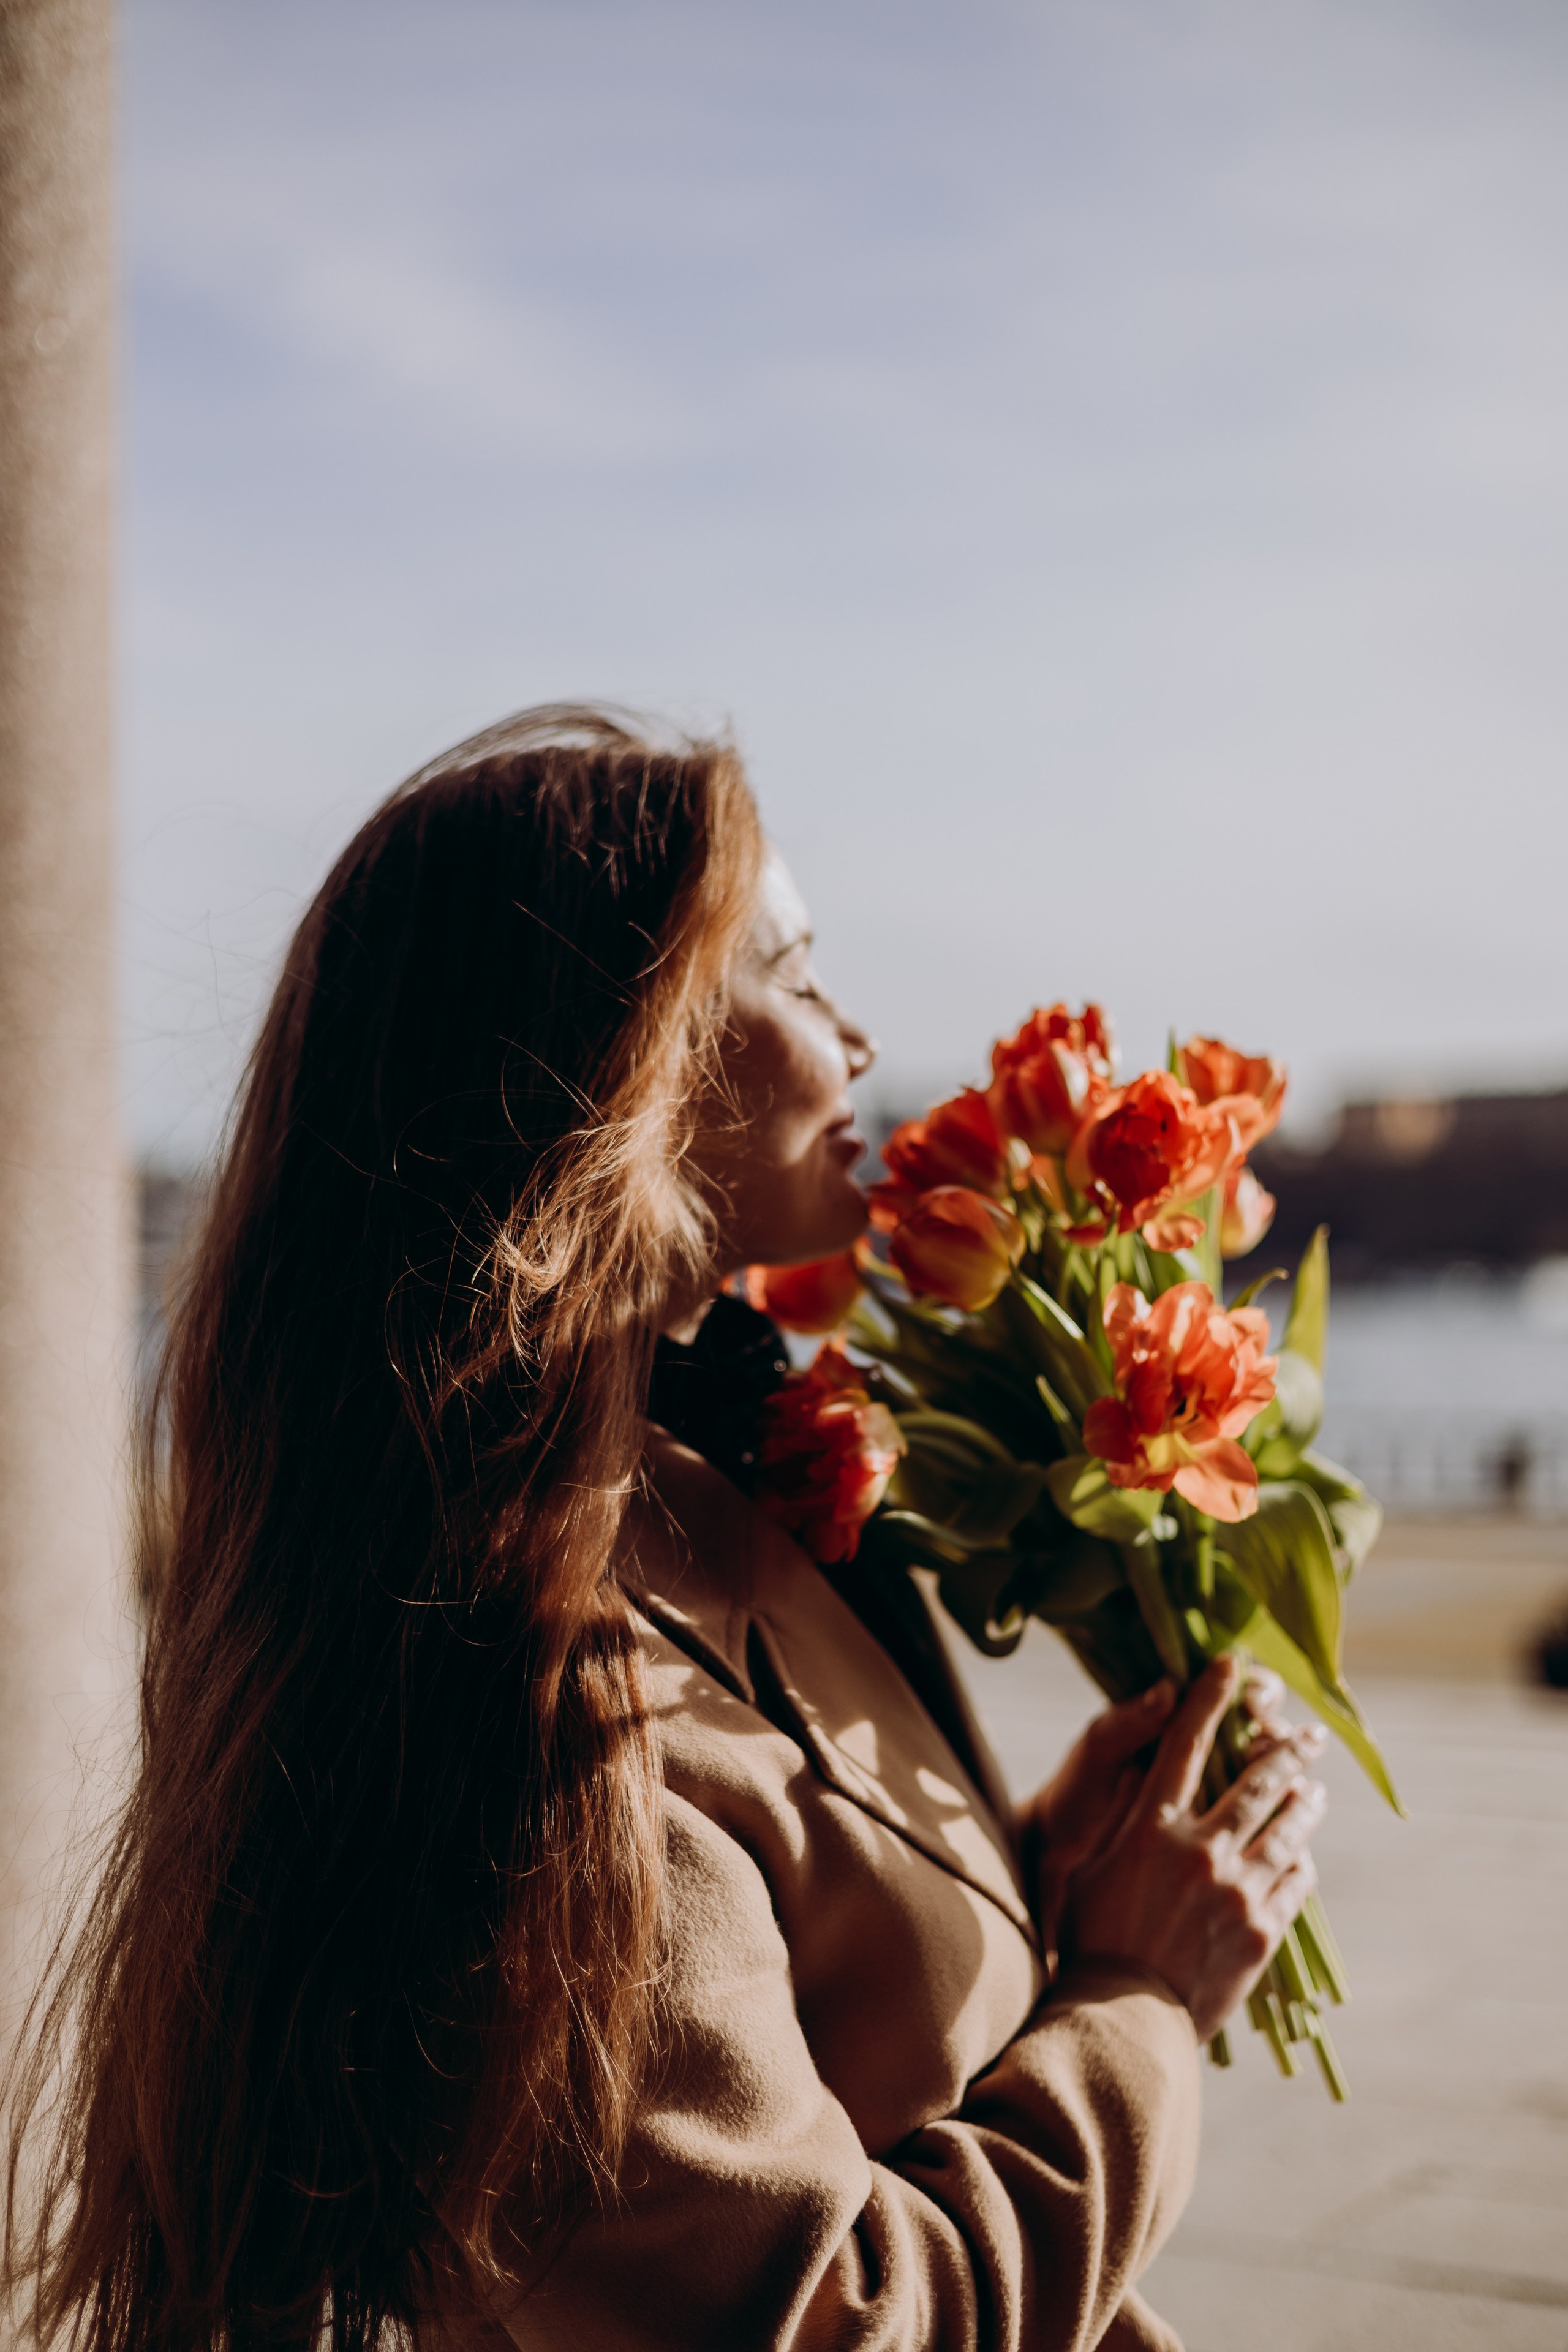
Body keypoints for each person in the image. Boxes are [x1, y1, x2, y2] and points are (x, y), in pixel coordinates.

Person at [5, 707, 1327, 2352]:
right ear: (613, 1055)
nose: (852, 1027)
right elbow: (822, 2320)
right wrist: (1139, 2004)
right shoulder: (516, 1708)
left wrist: (1038, 1878)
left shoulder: (695, 1485)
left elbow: (804, 1993)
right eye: (790, 968)